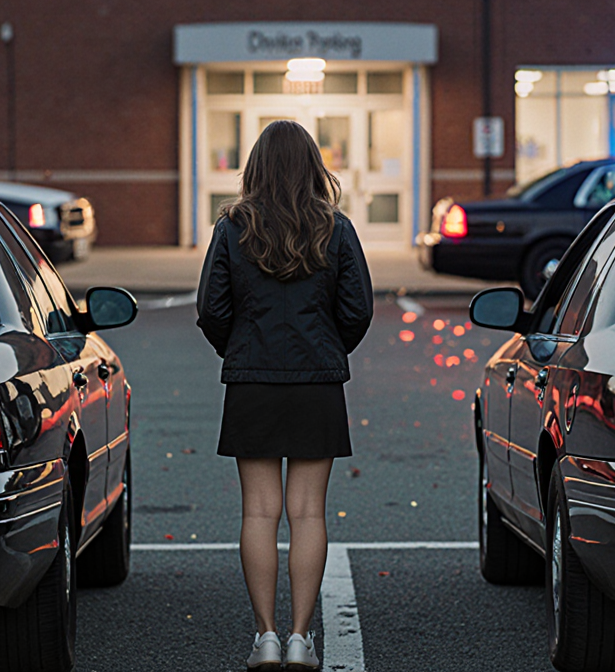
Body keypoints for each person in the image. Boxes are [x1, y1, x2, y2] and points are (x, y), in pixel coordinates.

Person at [197, 120, 372, 671]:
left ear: (256, 169)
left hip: (252, 381)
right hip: (316, 382)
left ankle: (265, 638)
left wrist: (242, 348)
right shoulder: (336, 228)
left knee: (259, 512)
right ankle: (300, 639)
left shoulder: (232, 228)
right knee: (308, 513)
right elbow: (357, 310)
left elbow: (211, 311)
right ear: (312, 168)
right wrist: (325, 348)